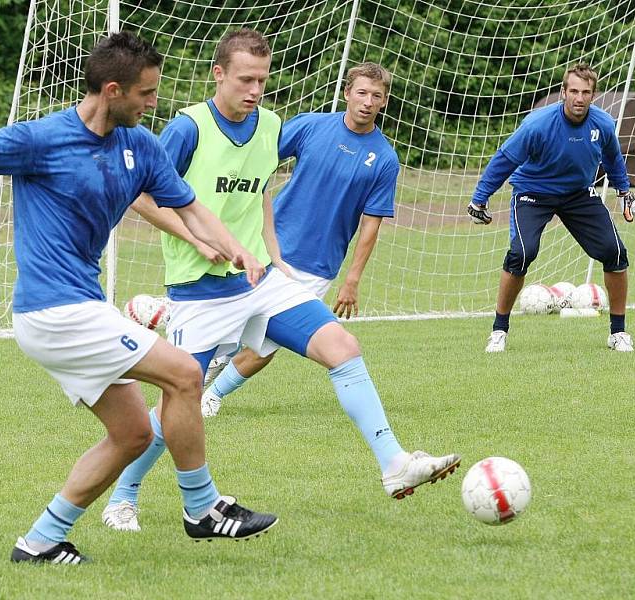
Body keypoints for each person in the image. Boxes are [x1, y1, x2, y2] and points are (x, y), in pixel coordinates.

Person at [0, 32, 279, 564]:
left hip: (82, 308)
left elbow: (190, 208)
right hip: (54, 312)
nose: (153, 103)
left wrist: (237, 248)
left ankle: (40, 543)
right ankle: (203, 508)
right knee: (186, 375)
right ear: (113, 90)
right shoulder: (41, 138)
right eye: (145, 94)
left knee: (133, 434)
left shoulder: (140, 145)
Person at [101, 29, 460, 533]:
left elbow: (262, 192)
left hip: (263, 281)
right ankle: (122, 496)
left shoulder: (270, 125)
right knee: (179, 401)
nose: (254, 90)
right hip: (201, 292)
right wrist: (198, 240)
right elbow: (138, 194)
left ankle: (394, 463)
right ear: (218, 74)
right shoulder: (189, 128)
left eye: (262, 81)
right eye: (245, 79)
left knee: (342, 345)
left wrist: (274, 255)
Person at [199, 62, 400, 419]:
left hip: (316, 265)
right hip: (266, 245)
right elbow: (258, 163)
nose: (368, 102)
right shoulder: (311, 125)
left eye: (377, 96)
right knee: (231, 317)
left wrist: (351, 280)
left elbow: (371, 224)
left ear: (384, 102)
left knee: (269, 342)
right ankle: (208, 365)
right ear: (347, 93)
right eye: (362, 92)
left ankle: (212, 394)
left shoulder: (384, 159)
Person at [467, 62, 635, 353]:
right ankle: (499, 330)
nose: (579, 97)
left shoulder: (603, 124)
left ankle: (618, 332)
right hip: (533, 192)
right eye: (573, 91)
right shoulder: (537, 125)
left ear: (593, 95)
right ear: (563, 92)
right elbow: (505, 159)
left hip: (578, 194)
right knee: (522, 253)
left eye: (585, 92)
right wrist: (480, 197)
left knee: (615, 252)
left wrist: (624, 192)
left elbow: (613, 158)